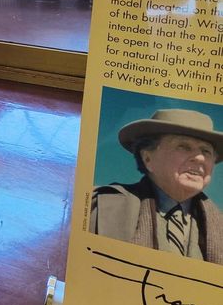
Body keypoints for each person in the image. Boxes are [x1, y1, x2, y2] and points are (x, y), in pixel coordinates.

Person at [90, 108, 223, 263]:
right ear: (147, 158)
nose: (200, 158)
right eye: (184, 146)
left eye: (206, 151)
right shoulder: (103, 206)